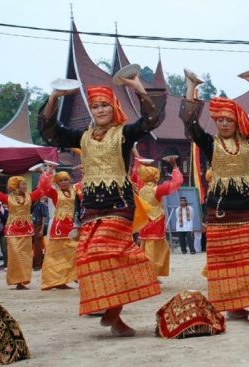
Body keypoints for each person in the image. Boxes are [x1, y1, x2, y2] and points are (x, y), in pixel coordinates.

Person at [38, 73, 165, 336]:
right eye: (95, 106)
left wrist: (138, 87)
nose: (100, 110)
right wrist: (53, 97)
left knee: (108, 253)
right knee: (87, 257)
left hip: (119, 204)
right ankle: (114, 316)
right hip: (91, 207)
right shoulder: (81, 136)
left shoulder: (124, 134)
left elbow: (151, 120)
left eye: (104, 105)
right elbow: (50, 131)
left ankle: (113, 311)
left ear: (113, 107)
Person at [179, 68, 249, 322]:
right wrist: (191, 87)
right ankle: (232, 304)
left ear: (236, 122)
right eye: (219, 120)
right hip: (219, 209)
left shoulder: (247, 140)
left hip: (245, 207)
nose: (223, 124)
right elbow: (189, 123)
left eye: (228, 120)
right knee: (223, 258)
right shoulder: (209, 143)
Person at [0, 176, 45, 290]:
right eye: (23, 184)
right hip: (12, 230)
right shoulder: (7, 198)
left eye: (25, 184)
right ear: (16, 186)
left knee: (25, 256)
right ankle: (16, 280)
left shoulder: (30, 196)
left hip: (26, 230)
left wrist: (46, 173)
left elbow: (42, 189)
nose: (25, 186)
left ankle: (22, 281)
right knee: (15, 254)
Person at [133, 157, 183, 278]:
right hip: (156, 220)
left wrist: (140, 164)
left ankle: (146, 273)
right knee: (156, 249)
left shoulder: (140, 188)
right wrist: (175, 167)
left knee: (145, 247)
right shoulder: (157, 189)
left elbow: (135, 177)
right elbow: (176, 183)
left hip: (144, 221)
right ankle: (151, 274)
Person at [38, 171, 79, 290]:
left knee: (75, 250)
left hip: (72, 225)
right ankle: (57, 281)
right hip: (59, 227)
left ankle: (72, 276)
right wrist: (48, 171)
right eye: (61, 180)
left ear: (70, 180)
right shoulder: (54, 193)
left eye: (66, 179)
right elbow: (44, 187)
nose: (64, 182)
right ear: (57, 182)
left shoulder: (75, 191)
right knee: (56, 256)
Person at [31, 196, 49, 270]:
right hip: (30, 227)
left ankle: (38, 265)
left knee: (38, 247)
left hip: (38, 226)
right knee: (29, 246)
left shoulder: (41, 204)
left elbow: (44, 217)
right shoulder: (31, 205)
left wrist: (41, 229)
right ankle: (32, 263)